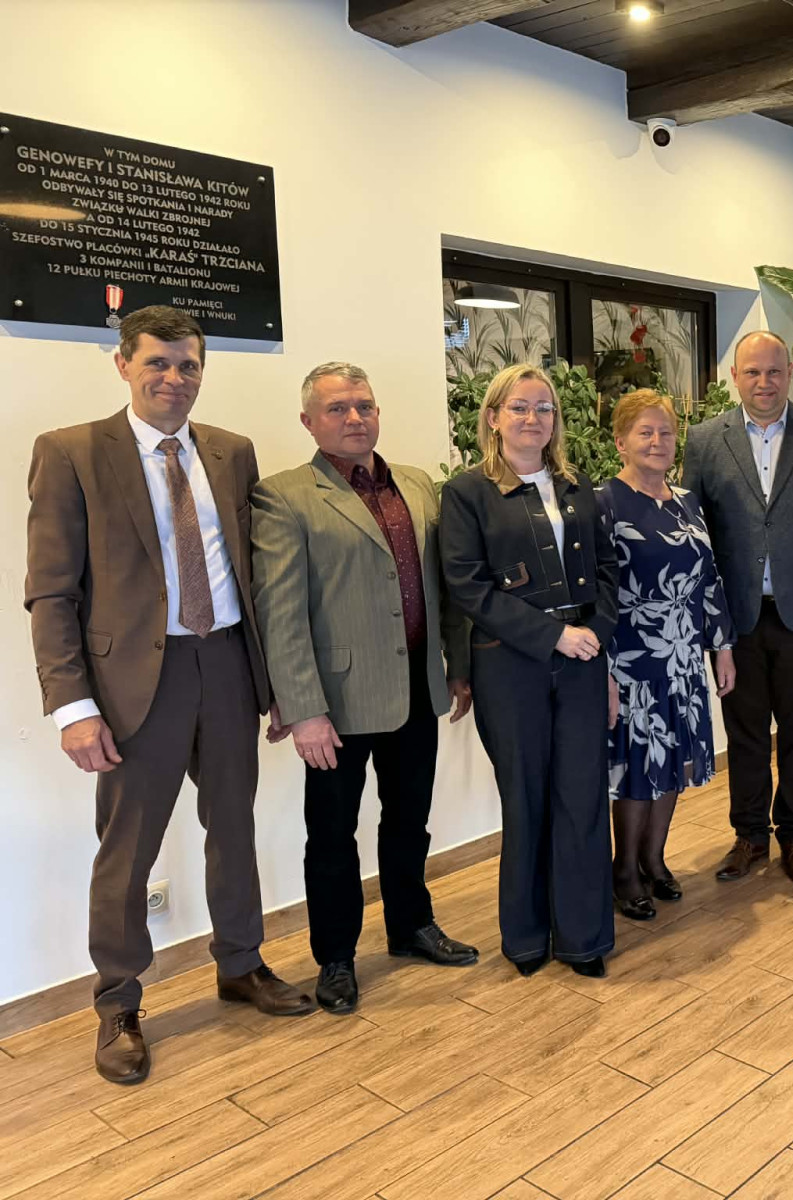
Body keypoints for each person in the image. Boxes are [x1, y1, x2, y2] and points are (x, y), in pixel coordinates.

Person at [25, 305, 312, 1086]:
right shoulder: (71, 452)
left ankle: (241, 964)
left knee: (234, 829)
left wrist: (275, 683)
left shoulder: (230, 451)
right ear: (123, 364)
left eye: (188, 365)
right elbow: (50, 592)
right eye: (157, 362)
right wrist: (72, 707)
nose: (174, 378)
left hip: (226, 665)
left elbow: (253, 575)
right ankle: (118, 1003)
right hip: (131, 685)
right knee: (127, 850)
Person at [251, 362, 479, 1016]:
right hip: (336, 704)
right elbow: (281, 613)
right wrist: (304, 711)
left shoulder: (416, 484)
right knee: (331, 837)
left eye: (364, 406)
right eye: (338, 408)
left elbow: (445, 586)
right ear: (309, 421)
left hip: (418, 687)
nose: (355, 418)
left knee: (409, 821)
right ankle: (336, 957)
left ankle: (410, 926)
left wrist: (456, 664)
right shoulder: (284, 496)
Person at [439, 363, 618, 979]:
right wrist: (553, 636)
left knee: (583, 796)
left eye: (544, 408)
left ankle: (583, 938)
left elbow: (608, 573)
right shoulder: (466, 493)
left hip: (583, 660)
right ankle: (525, 938)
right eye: (519, 407)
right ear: (493, 417)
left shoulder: (577, 485)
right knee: (526, 798)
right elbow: (468, 587)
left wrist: (595, 634)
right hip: (509, 666)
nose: (533, 418)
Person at [683, 331, 793, 886]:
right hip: (736, 619)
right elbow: (693, 532)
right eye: (752, 372)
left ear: (789, 372)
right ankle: (750, 835)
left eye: (774, 371)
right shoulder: (704, 440)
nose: (764, 382)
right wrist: (707, 618)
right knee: (747, 733)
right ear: (735, 376)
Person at [600, 390, 736, 920]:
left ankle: (654, 860)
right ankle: (624, 870)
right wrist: (604, 669)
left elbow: (709, 579)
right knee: (638, 767)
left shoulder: (687, 502)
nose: (657, 441)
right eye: (645, 432)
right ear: (621, 441)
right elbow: (597, 593)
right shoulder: (603, 502)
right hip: (631, 659)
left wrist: (721, 646)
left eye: (665, 432)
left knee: (672, 761)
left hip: (682, 659)